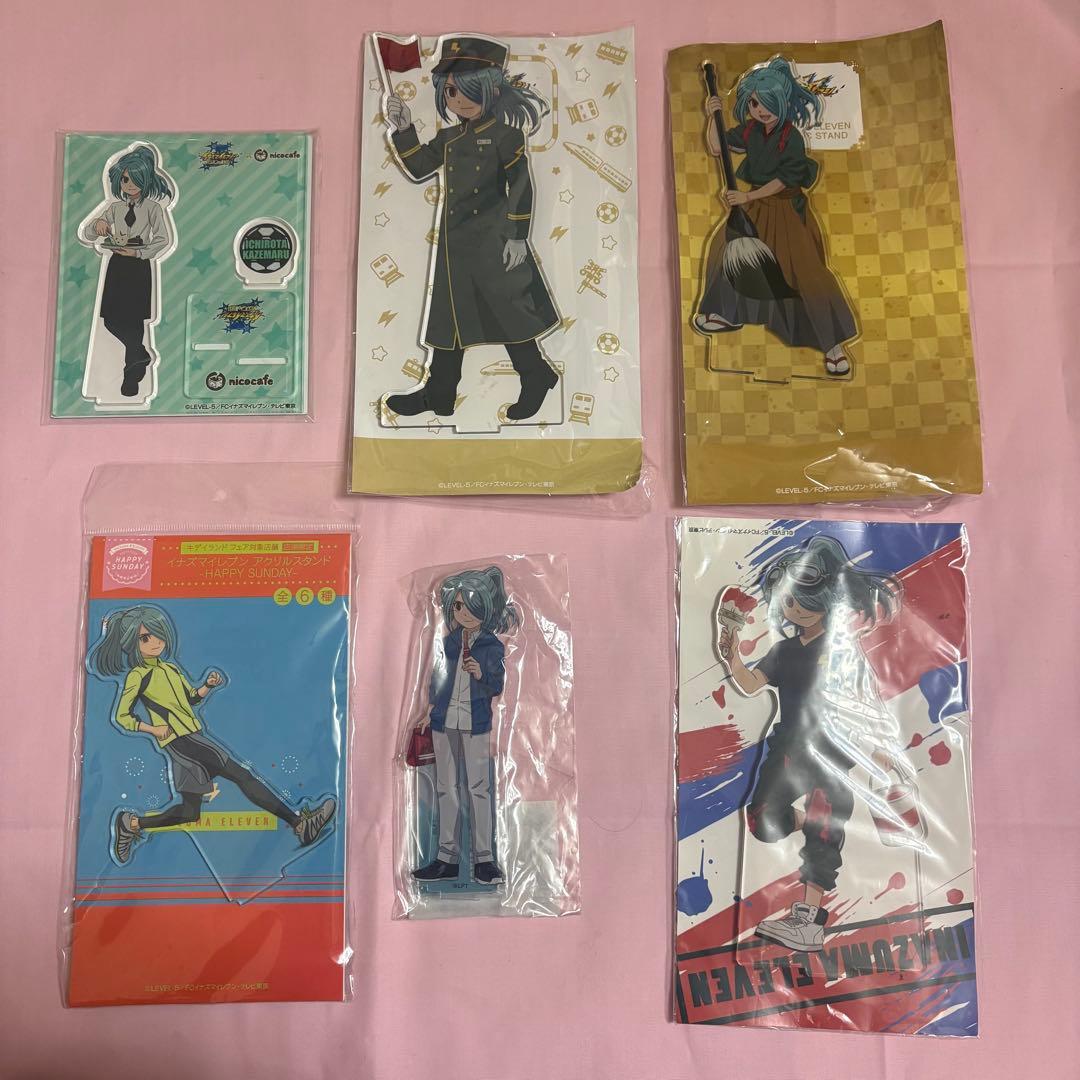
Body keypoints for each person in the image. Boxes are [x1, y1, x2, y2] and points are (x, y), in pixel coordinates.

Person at [718, 536, 902, 951]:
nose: (794, 608)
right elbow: (751, 684)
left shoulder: (842, 650)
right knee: (762, 819)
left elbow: (866, 696)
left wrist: (880, 746)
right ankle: (815, 823)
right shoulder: (783, 650)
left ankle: (809, 923)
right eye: (788, 600)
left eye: (804, 600)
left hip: (834, 749)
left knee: (825, 827)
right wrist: (730, 656)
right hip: (789, 746)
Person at [382, 36, 561, 421]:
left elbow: (521, 186)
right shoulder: (449, 138)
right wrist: (404, 128)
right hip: (455, 245)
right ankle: (439, 393)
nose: (458, 100)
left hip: (495, 242)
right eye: (450, 91)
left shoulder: (507, 136)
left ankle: (536, 374)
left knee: (509, 313)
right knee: (449, 319)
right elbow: (419, 167)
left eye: (468, 90)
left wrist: (518, 236)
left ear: (492, 90)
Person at [88, 605, 336, 867]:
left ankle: (131, 824)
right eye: (145, 638)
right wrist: (153, 729)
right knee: (242, 776)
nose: (156, 642)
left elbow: (190, 699)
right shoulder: (138, 676)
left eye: (158, 634)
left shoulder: (170, 669)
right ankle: (300, 824)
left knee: (190, 812)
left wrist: (207, 686)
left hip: (191, 735)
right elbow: (122, 716)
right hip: (180, 741)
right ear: (131, 644)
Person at [695, 57, 857, 377]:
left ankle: (832, 344)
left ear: (783, 101)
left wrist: (747, 197)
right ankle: (729, 312)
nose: (761, 110)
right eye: (755, 103)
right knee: (727, 250)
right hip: (757, 207)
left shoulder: (791, 137)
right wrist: (712, 114)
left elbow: (784, 180)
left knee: (803, 270)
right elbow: (716, 148)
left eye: (768, 102)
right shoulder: (752, 130)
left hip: (785, 209)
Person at [413, 566, 518, 885]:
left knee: (478, 789)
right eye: (458, 605)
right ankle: (446, 858)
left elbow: (496, 686)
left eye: (470, 605)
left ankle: (484, 860)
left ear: (484, 607)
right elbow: (437, 680)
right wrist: (429, 710)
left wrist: (480, 674)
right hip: (444, 721)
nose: (464, 612)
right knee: (446, 788)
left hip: (476, 723)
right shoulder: (448, 643)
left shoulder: (492, 646)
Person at [81, 145, 176, 396]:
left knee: (134, 321)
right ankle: (140, 353)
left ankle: (131, 376)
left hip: (138, 265)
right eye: (125, 179)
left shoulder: (153, 208)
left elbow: (163, 239)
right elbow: (89, 234)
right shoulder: (115, 208)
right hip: (117, 265)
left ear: (146, 180)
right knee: (111, 319)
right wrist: (97, 224)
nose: (130, 185)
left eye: (136, 179)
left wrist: (138, 253)